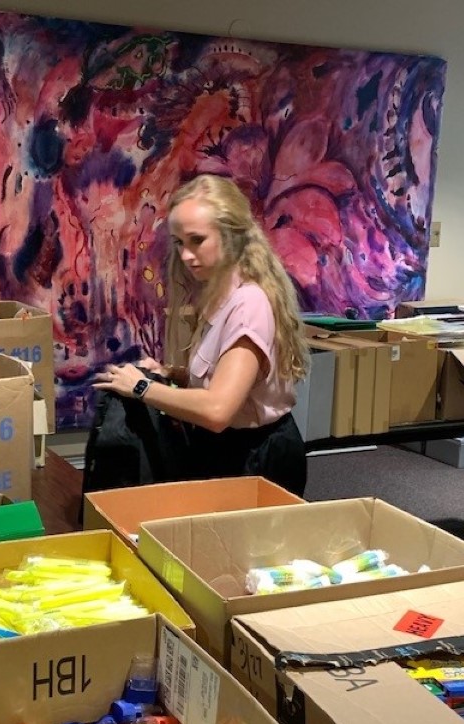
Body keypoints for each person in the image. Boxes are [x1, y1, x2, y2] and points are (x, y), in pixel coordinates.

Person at [93, 173, 310, 496]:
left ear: (230, 236)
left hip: (256, 461)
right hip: (226, 451)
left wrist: (141, 387)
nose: (185, 255)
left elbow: (217, 409)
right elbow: (223, 379)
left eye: (197, 241)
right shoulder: (219, 295)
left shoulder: (248, 303)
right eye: (180, 243)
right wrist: (171, 374)